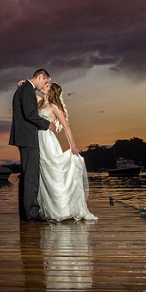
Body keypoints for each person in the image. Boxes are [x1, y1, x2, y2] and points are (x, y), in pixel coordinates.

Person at [34, 81, 97, 222]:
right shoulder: (41, 103)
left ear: (52, 91)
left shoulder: (54, 106)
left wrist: (73, 146)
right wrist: (25, 84)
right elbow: (31, 93)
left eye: (47, 86)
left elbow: (66, 126)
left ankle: (63, 209)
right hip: (38, 141)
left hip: (48, 141)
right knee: (44, 173)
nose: (44, 86)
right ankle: (49, 209)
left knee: (54, 173)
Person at [9, 69, 57, 223]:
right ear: (40, 76)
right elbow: (29, 114)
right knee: (31, 176)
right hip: (28, 138)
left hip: (24, 137)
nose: (45, 85)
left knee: (27, 176)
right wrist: (47, 124)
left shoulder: (25, 89)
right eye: (46, 81)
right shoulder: (27, 89)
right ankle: (32, 214)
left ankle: (26, 213)